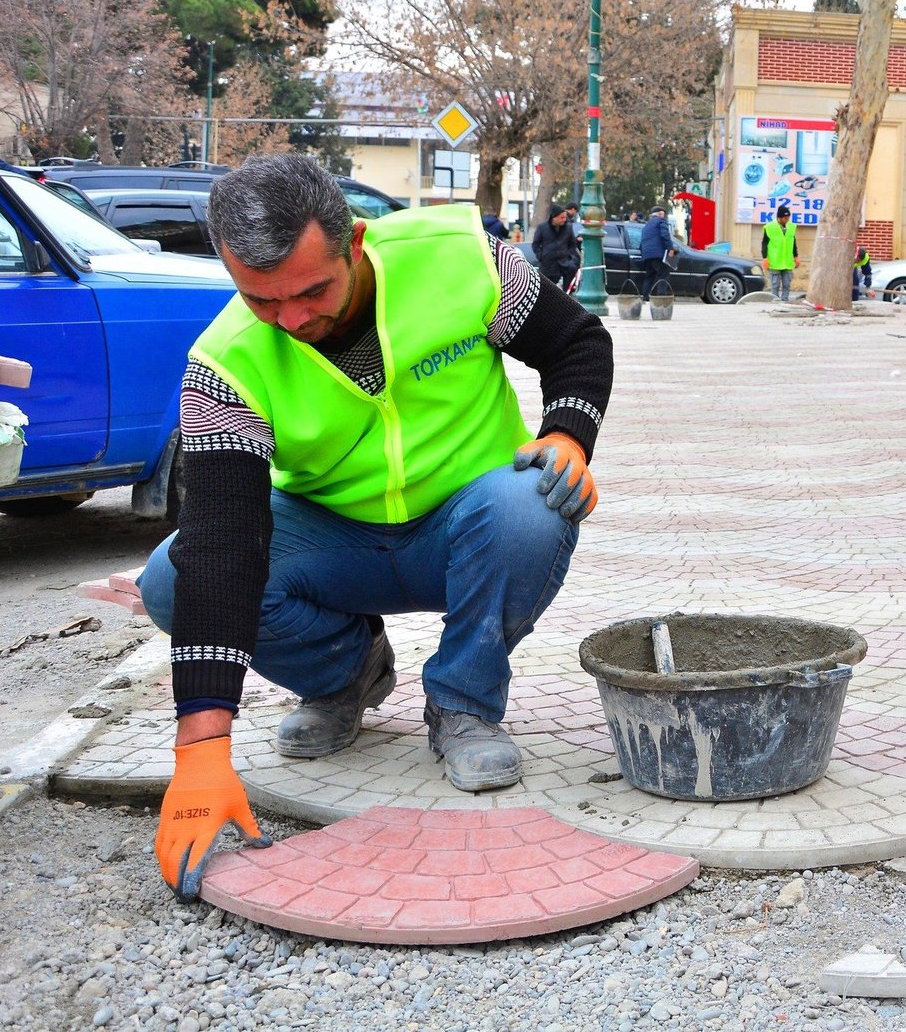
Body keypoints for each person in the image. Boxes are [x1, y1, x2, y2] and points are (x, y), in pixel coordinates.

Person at [139, 155, 613, 901]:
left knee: (535, 499)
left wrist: (567, 435)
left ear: (354, 241)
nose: (292, 320)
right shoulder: (224, 365)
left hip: (469, 526)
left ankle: (462, 703)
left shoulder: (459, 259)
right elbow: (222, 546)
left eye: (312, 291)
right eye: (262, 300)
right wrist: (200, 746)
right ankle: (344, 674)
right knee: (173, 577)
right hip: (334, 546)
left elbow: (577, 343)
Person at [532, 203, 581, 290]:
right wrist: (542, 256)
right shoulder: (542, 227)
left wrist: (572, 259)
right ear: (554, 217)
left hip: (565, 263)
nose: (564, 220)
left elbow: (572, 244)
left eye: (565, 217)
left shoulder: (568, 227)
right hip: (548, 264)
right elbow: (535, 244)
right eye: (562, 217)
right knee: (547, 289)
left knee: (567, 290)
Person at [638, 203, 677, 300]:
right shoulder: (661, 221)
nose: (664, 216)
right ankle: (661, 297)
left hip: (647, 255)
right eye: (663, 214)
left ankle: (645, 296)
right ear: (659, 214)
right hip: (658, 255)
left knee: (649, 276)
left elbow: (642, 242)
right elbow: (665, 235)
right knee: (663, 274)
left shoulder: (646, 226)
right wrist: (670, 248)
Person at [761, 204, 798, 302]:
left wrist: (796, 256)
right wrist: (765, 258)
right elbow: (764, 243)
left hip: (787, 261)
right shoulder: (770, 227)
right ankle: (775, 300)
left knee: (787, 284)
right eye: (785, 218)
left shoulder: (791, 226)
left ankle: (785, 300)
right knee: (775, 284)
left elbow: (793, 242)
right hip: (775, 261)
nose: (787, 220)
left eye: (788, 217)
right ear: (779, 218)